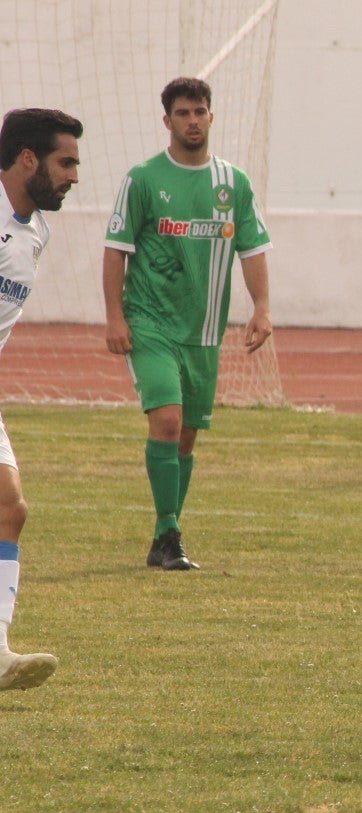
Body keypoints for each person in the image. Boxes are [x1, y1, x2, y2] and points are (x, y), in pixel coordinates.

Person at [102, 77, 272, 571]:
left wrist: (261, 306)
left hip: (203, 332)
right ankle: (171, 531)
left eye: (199, 111)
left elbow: (253, 248)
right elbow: (117, 249)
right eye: (182, 113)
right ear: (167, 121)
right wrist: (116, 316)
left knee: (186, 437)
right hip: (150, 322)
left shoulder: (232, 184)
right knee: (168, 420)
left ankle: (162, 538)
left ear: (211, 117)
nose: (192, 121)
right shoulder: (143, 179)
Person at [0, 108, 83, 689]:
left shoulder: (37, 233)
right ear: (29, 158)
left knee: (10, 509)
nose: (74, 175)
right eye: (65, 161)